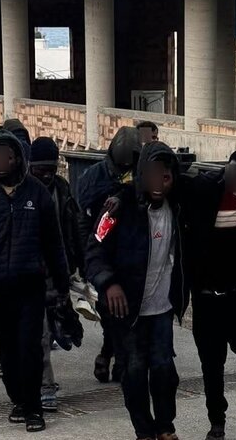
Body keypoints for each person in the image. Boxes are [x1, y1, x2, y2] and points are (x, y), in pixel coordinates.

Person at [0, 130, 70, 433]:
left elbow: (54, 243)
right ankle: (19, 400)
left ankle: (34, 408)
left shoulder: (37, 193)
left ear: (17, 159)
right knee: (7, 352)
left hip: (30, 288)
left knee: (30, 348)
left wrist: (62, 286)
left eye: (5, 157)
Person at [85, 141, 186, 440]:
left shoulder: (179, 206)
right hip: (126, 310)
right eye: (152, 173)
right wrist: (109, 283)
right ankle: (144, 431)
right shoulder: (115, 208)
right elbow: (93, 250)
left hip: (162, 308)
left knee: (165, 370)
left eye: (165, 175)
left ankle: (165, 427)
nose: (159, 182)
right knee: (134, 371)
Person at [178, 149, 236, 440]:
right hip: (207, 297)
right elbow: (166, 185)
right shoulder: (204, 188)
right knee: (212, 366)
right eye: (232, 176)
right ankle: (217, 422)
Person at [74, 126, 141, 384]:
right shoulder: (94, 176)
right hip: (103, 250)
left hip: (133, 253)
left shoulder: (141, 175)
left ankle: (119, 360)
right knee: (109, 312)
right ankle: (110, 353)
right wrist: (87, 259)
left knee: (125, 315)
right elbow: (84, 219)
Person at [29, 137, 82, 412]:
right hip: (30, 273)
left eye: (51, 169)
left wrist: (77, 263)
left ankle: (39, 376)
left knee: (53, 329)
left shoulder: (62, 189)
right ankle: (45, 386)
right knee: (40, 333)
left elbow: (74, 226)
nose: (47, 176)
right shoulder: (22, 191)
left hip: (58, 269)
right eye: (42, 170)